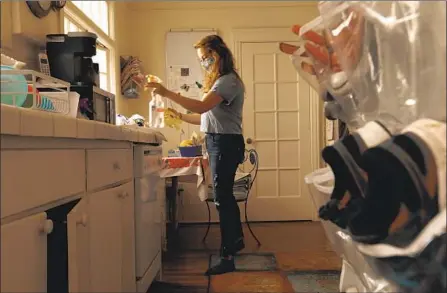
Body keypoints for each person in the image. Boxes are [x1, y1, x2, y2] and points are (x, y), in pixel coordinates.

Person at [146, 34, 246, 276]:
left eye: (206, 58)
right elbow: (204, 117)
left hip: (225, 143)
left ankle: (228, 255)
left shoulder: (228, 82)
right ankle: (235, 242)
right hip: (216, 140)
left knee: (222, 198)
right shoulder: (218, 82)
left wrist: (166, 92)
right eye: (201, 59)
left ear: (219, 54)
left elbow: (201, 107)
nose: (204, 63)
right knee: (223, 197)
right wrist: (179, 115)